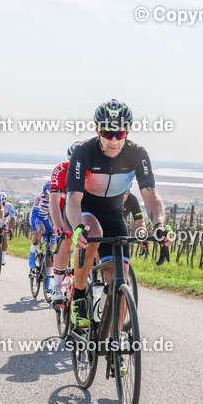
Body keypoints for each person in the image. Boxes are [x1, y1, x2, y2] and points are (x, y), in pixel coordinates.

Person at [65, 100, 170, 329]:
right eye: (107, 133)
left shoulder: (137, 153)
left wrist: (159, 225)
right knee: (94, 232)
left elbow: (150, 196)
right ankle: (79, 295)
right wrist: (77, 227)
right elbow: (73, 199)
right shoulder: (84, 151)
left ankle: (116, 345)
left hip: (114, 215)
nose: (114, 140)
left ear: (128, 131)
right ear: (97, 130)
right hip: (86, 212)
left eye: (119, 133)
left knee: (120, 283)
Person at [49, 142, 80, 304]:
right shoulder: (61, 170)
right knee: (66, 240)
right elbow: (53, 203)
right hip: (62, 212)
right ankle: (57, 286)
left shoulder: (91, 172)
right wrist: (59, 227)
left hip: (83, 211)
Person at [29, 182, 55, 293]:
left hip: (45, 219)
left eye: (52, 196)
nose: (50, 199)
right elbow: (34, 215)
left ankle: (48, 283)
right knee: (41, 230)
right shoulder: (39, 198)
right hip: (37, 218)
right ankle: (32, 253)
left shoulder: (55, 199)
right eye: (48, 196)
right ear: (44, 194)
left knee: (51, 247)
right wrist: (35, 230)